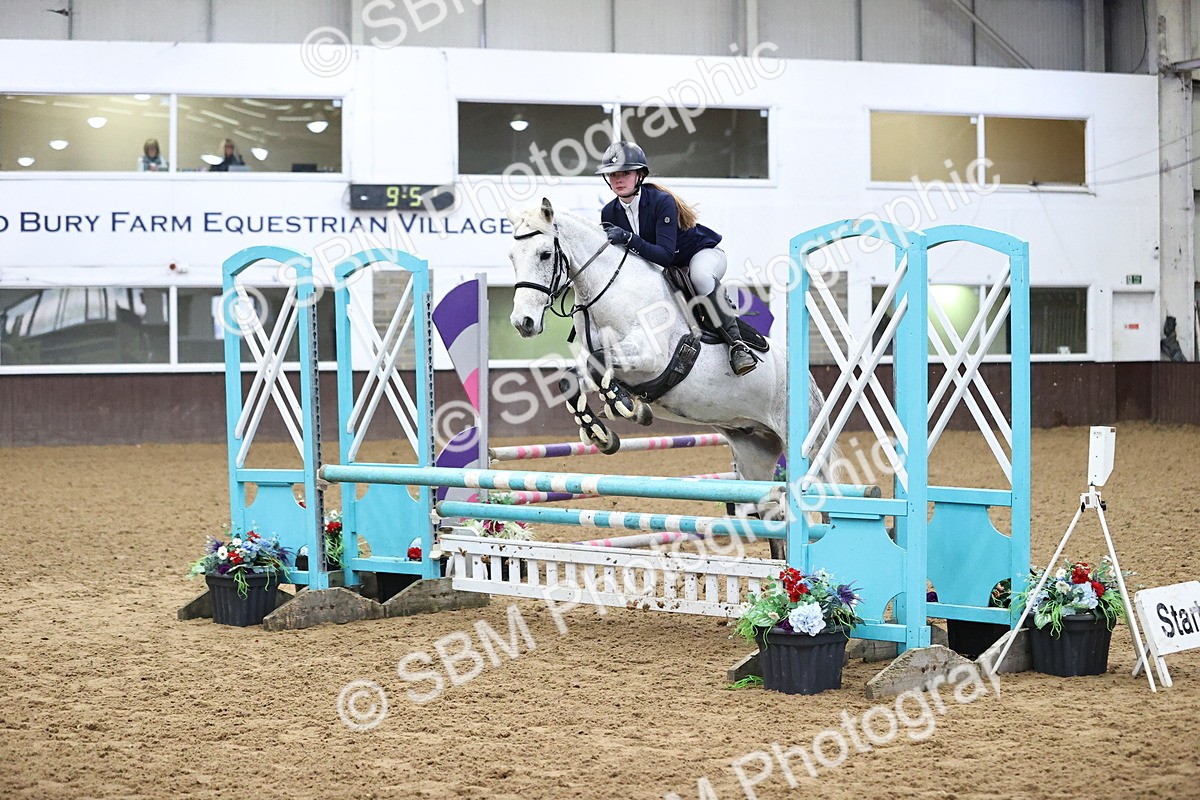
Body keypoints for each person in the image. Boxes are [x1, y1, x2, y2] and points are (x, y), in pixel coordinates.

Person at [596, 140, 755, 376]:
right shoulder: (609, 212)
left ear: (640, 175)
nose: (618, 179)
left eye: (625, 173)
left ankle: (737, 345)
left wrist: (629, 238)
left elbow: (664, 255)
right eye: (612, 174)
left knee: (700, 277)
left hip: (700, 255)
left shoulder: (661, 202)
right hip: (668, 268)